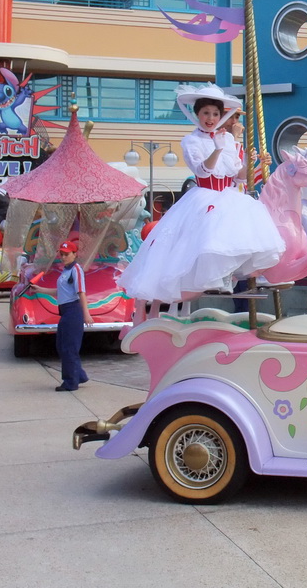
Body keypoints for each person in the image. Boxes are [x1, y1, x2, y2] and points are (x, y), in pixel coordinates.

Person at [118, 84, 284, 304]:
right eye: (206, 112)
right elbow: (202, 170)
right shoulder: (191, 141)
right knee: (210, 233)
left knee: (237, 233)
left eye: (216, 113)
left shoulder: (230, 141)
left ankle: (230, 277)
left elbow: (239, 176)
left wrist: (255, 162)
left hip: (230, 194)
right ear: (197, 114)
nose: (211, 118)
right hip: (206, 194)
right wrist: (216, 148)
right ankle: (212, 280)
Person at [46, 241, 92, 392]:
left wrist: (86, 313)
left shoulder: (76, 270)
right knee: (62, 345)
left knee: (69, 347)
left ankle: (70, 382)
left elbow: (81, 292)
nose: (64, 257)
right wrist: (40, 289)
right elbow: (61, 291)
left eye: (67, 254)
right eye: (62, 254)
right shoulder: (65, 271)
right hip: (65, 310)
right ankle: (78, 375)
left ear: (75, 254)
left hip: (73, 310)